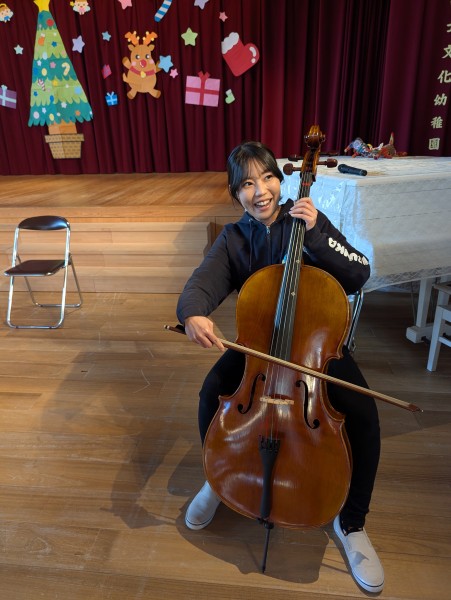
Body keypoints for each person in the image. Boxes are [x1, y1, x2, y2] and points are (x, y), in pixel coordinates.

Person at [176, 141, 384, 594]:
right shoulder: (234, 238)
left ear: (281, 178)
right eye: (247, 184)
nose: (261, 191)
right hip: (260, 348)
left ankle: (352, 522)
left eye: (268, 177)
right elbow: (200, 284)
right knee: (211, 393)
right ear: (236, 194)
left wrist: (317, 233)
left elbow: (359, 272)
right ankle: (219, 475)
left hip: (315, 348)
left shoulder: (306, 219)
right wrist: (192, 314)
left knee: (365, 417)